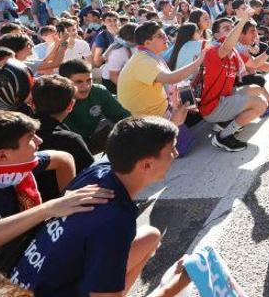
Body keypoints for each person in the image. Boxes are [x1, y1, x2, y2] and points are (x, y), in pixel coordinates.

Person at [10, 116, 178, 296]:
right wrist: (174, 285)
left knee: (150, 237)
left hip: (20, 285)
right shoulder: (115, 219)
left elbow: (144, 138)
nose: (175, 153)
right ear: (146, 164)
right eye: (171, 150)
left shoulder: (99, 170)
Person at [0, 111, 108, 263]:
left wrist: (67, 205)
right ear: (2, 156)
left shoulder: (9, 165)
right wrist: (50, 208)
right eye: (31, 138)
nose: (40, 141)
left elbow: (62, 159)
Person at [199, 16, 269, 152]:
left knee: (256, 88)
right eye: (227, 29)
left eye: (233, 28)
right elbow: (225, 46)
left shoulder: (234, 52)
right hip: (212, 108)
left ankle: (225, 122)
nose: (233, 32)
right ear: (216, 35)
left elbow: (255, 64)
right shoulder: (215, 50)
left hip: (222, 99)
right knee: (260, 104)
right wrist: (243, 20)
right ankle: (223, 137)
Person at [117, 21, 205, 118]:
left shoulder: (150, 55)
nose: (166, 37)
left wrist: (183, 98)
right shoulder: (142, 61)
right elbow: (171, 79)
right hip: (148, 123)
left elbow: (169, 84)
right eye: (160, 36)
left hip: (162, 113)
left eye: (164, 34)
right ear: (147, 42)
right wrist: (199, 61)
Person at [30, 75, 95, 201]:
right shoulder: (71, 140)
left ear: (32, 104)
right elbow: (93, 176)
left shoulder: (16, 135)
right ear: (70, 105)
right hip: (60, 210)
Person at [59, 59, 130, 154]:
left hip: (90, 138)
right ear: (65, 82)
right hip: (64, 146)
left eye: (89, 80)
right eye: (79, 82)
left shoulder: (99, 92)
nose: (86, 86)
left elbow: (122, 116)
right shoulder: (56, 97)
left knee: (127, 130)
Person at [100, 23, 137, 94]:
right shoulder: (118, 51)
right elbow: (113, 76)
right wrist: (129, 89)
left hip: (126, 76)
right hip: (113, 82)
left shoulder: (134, 45)